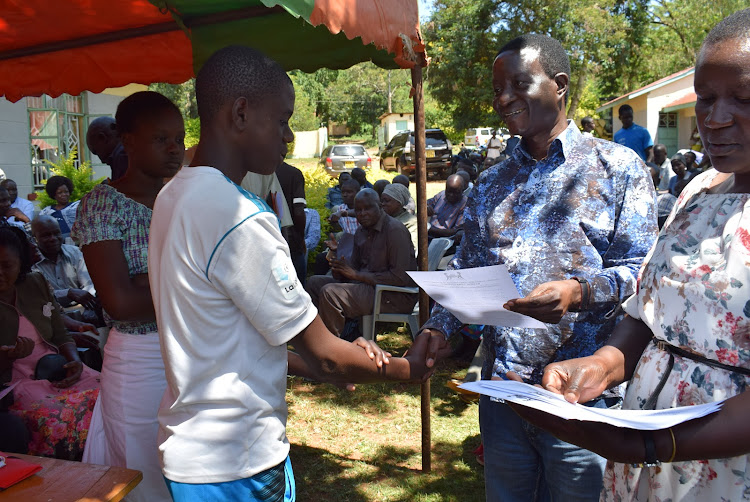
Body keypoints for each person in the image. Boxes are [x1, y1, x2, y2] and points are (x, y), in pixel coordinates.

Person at [147, 46, 431, 501]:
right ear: (241, 113)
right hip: (238, 461)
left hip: (193, 453)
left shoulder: (174, 194)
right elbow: (327, 354)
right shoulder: (237, 216)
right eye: (282, 120)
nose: (289, 136)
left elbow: (232, 342)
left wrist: (323, 367)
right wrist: (407, 369)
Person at [510, 11, 750, 501]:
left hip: (720, 471)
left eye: (743, 99)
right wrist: (603, 363)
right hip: (646, 459)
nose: (716, 118)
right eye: (705, 100)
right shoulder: (699, 191)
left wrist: (645, 444)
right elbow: (650, 310)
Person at [414, 33, 658, 501]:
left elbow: (643, 275)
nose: (504, 100)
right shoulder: (490, 182)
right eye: (497, 90)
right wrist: (441, 326)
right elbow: (469, 271)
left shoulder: (618, 169)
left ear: (559, 85)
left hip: (581, 399)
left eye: (519, 84)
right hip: (504, 394)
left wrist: (578, 292)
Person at [72, 91, 183, 502]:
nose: (174, 149)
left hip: (196, 350)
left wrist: (145, 280)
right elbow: (119, 303)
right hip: (140, 360)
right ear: (128, 140)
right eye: (160, 139)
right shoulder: (102, 207)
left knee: (191, 470)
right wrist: (193, 282)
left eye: (179, 138)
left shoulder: (187, 198)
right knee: (144, 473)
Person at [0, 226, 99, 460]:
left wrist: (74, 363)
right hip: (14, 383)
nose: (0, 273)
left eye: (7, 266)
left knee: (110, 392)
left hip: (57, 370)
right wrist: (8, 357)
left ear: (21, 263)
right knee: (57, 414)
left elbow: (59, 334)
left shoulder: (35, 283)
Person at [307, 188, 418, 338]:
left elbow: (399, 278)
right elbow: (353, 269)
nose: (362, 214)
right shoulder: (361, 231)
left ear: (379, 206)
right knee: (313, 283)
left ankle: (332, 348)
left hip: (392, 295)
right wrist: (339, 267)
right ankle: (317, 338)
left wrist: (357, 275)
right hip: (367, 287)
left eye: (368, 208)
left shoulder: (394, 230)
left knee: (331, 293)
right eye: (358, 210)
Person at [31, 215, 97, 311]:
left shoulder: (75, 253)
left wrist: (88, 302)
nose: (53, 238)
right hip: (51, 313)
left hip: (82, 308)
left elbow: (89, 284)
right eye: (46, 235)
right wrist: (68, 293)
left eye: (56, 233)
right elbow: (39, 296)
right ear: (34, 238)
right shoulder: (31, 261)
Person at [276, 162, 307, 285]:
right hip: (291, 240)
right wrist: (301, 238)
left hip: (264, 238)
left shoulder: (252, 172)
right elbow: (298, 211)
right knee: (298, 287)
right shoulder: (293, 174)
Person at [86, 116, 129, 181]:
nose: (102, 161)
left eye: (96, 152)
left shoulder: (122, 156)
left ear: (102, 138)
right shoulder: (131, 149)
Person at [427, 174, 468, 241]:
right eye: (449, 191)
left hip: (444, 240)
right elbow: (426, 203)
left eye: (456, 192)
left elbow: (455, 231)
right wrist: (427, 207)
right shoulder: (442, 195)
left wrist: (429, 229)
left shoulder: (465, 205)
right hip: (428, 234)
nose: (451, 195)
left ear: (462, 190)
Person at [39, 176, 79, 242]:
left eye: (66, 192)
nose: (64, 195)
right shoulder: (46, 211)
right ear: (54, 195)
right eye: (60, 193)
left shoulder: (76, 207)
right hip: (54, 242)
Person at [380, 182, 418, 251]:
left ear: (399, 203)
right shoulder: (381, 218)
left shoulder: (411, 222)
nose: (383, 204)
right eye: (382, 201)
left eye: (387, 201)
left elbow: (411, 248)